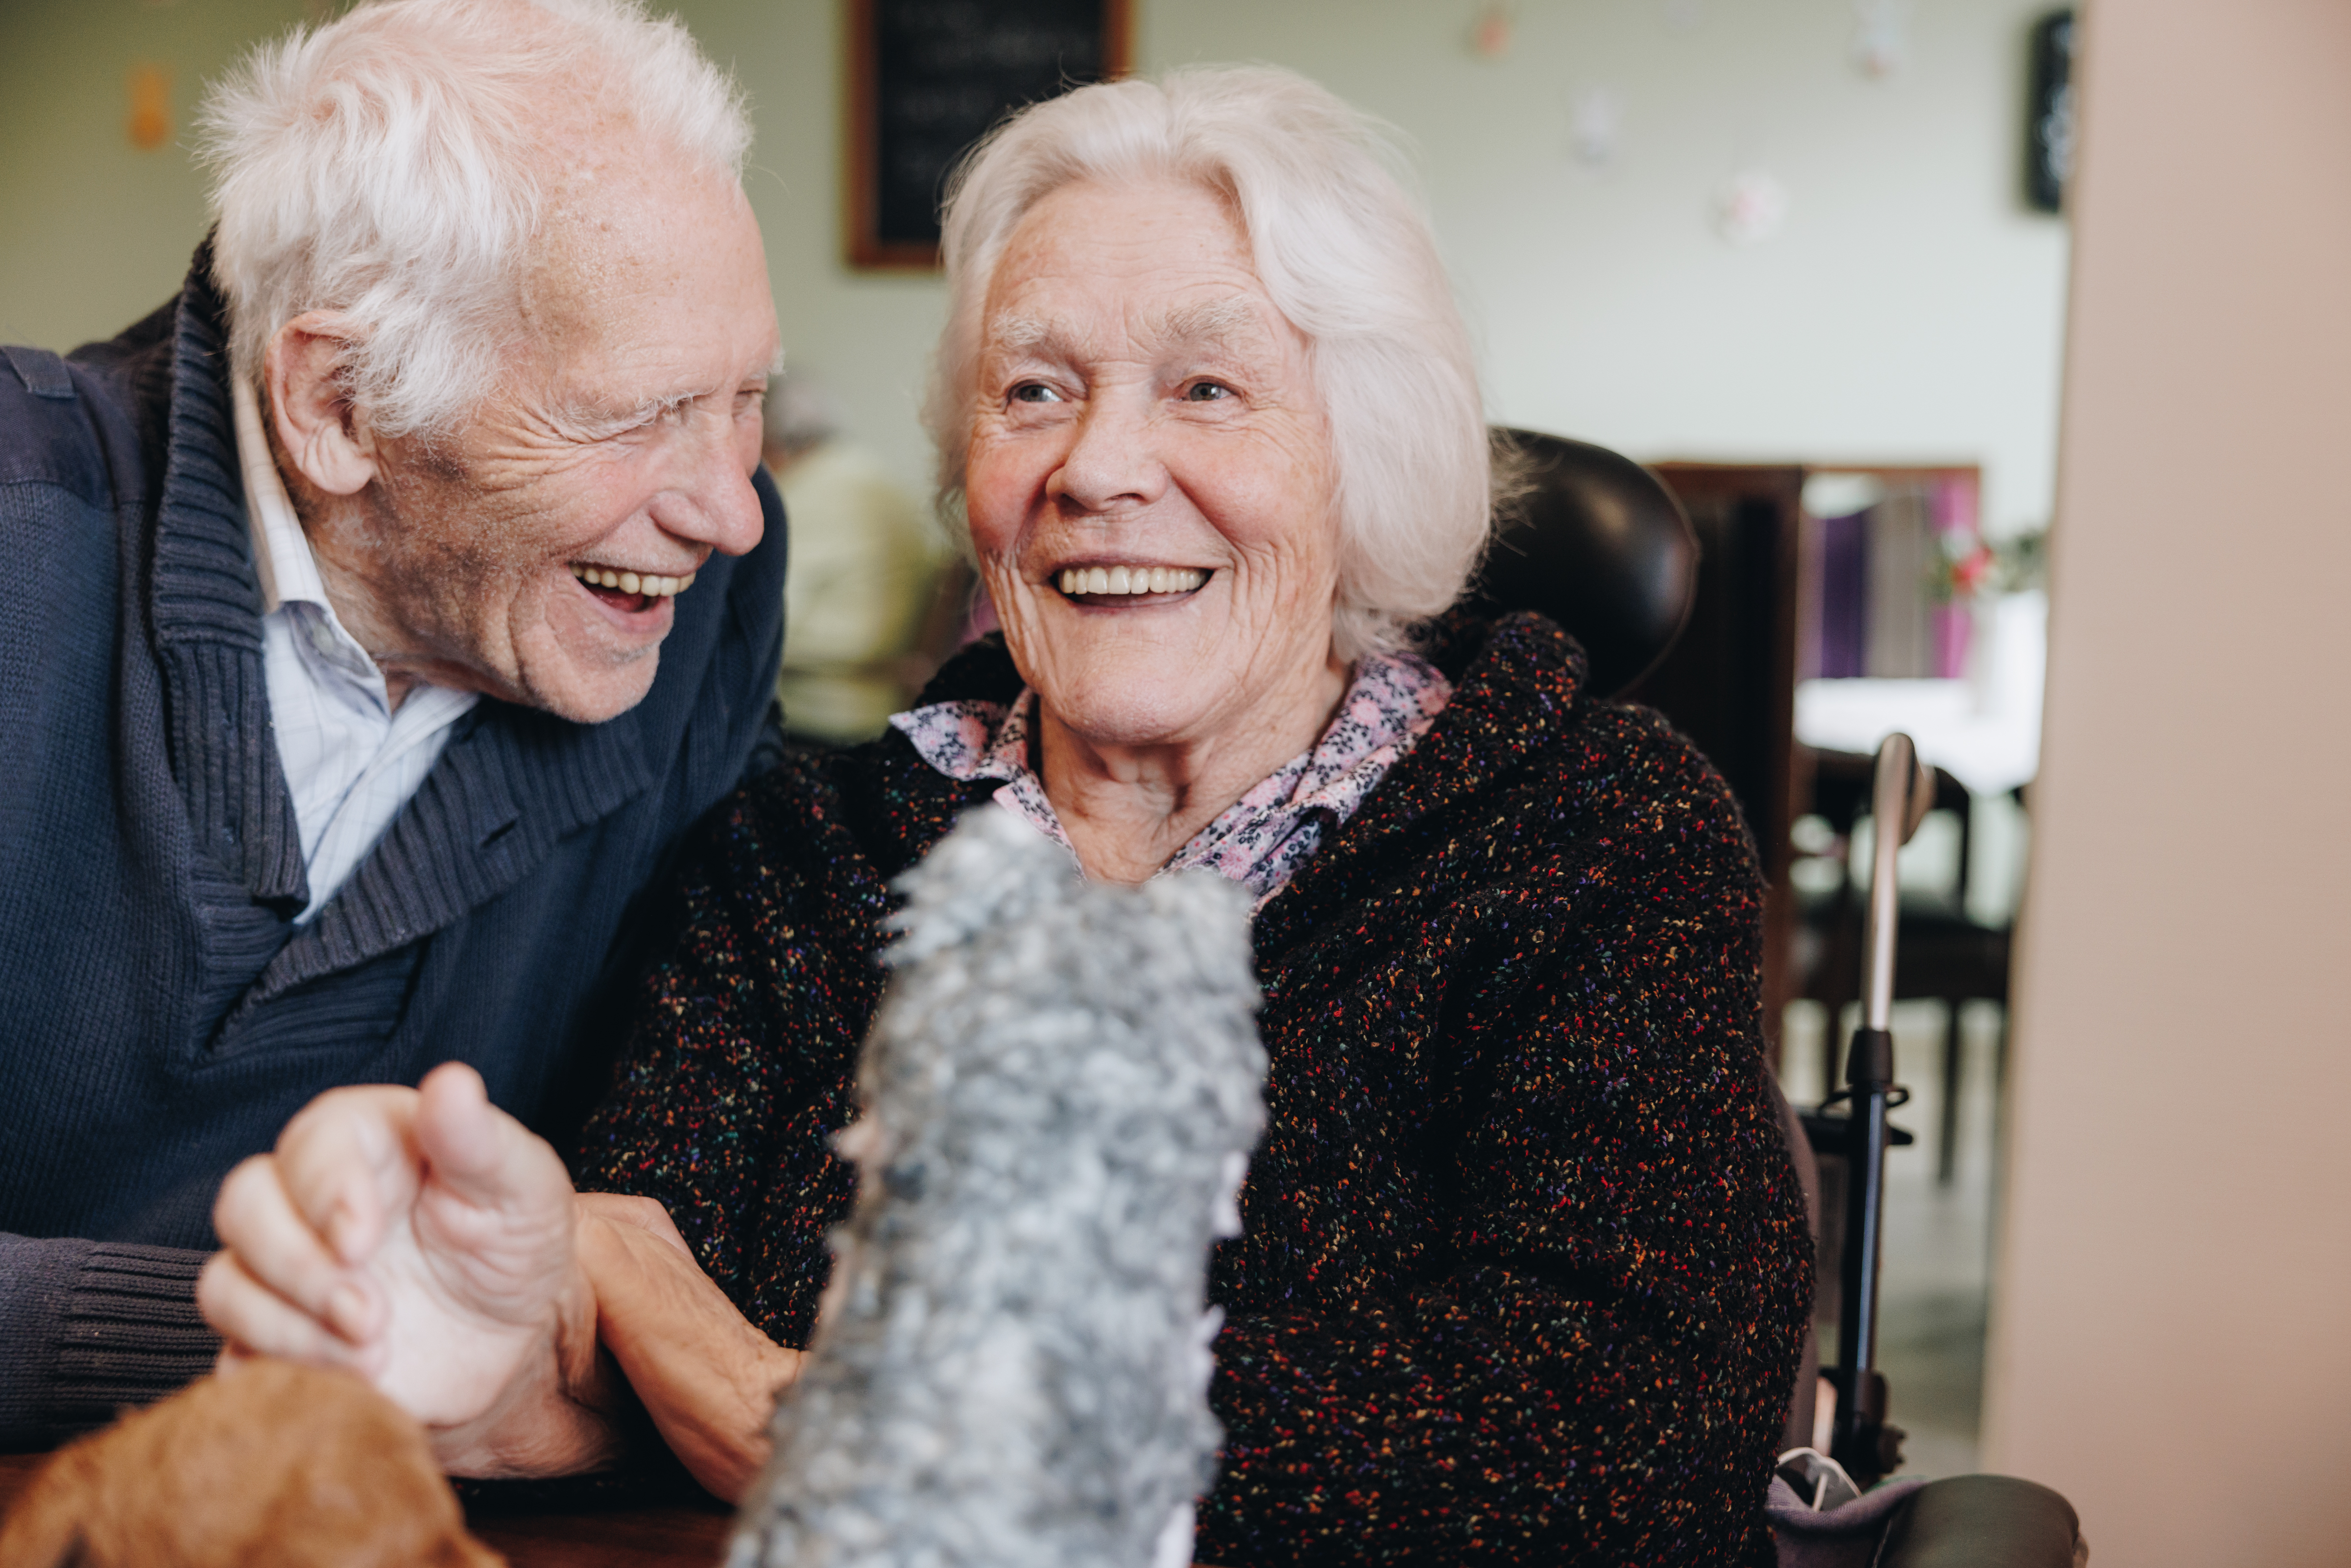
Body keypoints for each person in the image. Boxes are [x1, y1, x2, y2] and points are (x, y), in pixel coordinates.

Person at [203, 67, 1812, 1566]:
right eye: (1034, 389)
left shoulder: (1590, 830)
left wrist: (816, 1413)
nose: (1102, 466)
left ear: (1363, 450)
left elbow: (1612, 1443)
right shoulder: (808, 851)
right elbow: (626, 1351)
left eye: (1206, 387)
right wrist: (492, 1373)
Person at [0, 0, 786, 1446]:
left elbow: (677, 1177)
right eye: (639, 413)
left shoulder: (692, 602)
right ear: (336, 402)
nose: (726, 505)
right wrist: (291, 1346)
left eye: (746, 401)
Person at [761, 373, 948, 743]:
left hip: (816, 721)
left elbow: (758, 626)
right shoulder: (874, 476)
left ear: (768, 441)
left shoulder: (809, 491)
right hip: (879, 715)